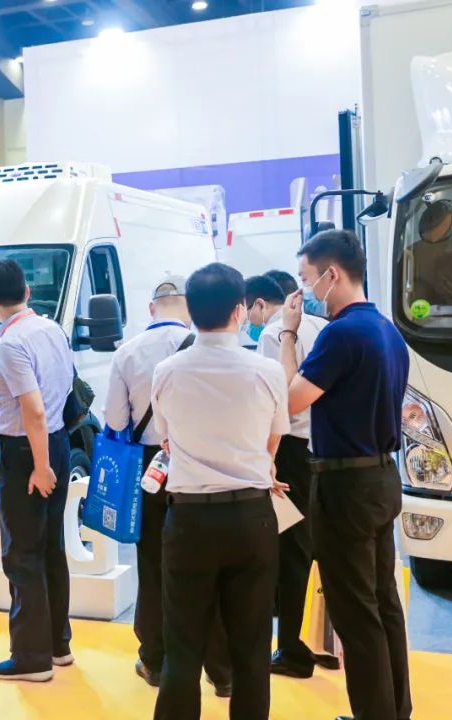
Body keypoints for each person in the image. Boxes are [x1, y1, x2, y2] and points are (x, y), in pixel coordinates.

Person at [277, 229, 412, 720]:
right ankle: (395, 710)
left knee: (355, 612)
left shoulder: (340, 334)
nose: (304, 291)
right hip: (382, 477)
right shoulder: (387, 331)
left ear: (331, 274)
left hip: (345, 485)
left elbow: (291, 399)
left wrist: (288, 334)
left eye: (306, 278)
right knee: (383, 603)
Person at [150, 263, 289, 720]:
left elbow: (167, 439)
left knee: (182, 645)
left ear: (190, 311)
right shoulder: (267, 370)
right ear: (239, 310)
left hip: (189, 519)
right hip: (251, 516)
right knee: (251, 646)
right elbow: (273, 441)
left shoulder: (166, 371)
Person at [103, 276, 232, 696]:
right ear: (190, 308)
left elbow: (116, 420)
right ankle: (221, 669)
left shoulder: (128, 352)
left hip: (152, 468)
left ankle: (156, 659)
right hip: (205, 465)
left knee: (154, 562)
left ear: (151, 308)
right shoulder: (212, 349)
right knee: (210, 563)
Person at [0, 258, 75, 683]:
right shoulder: (51, 329)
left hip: (26, 452)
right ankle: (57, 645)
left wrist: (39, 466)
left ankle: (31, 658)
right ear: (27, 291)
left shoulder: (12, 343)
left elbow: (32, 409)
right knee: (51, 545)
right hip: (57, 441)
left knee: (22, 553)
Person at [246, 274, 328, 678]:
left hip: (289, 449)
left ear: (259, 304)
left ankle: (293, 650)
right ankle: (322, 643)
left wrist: (266, 457)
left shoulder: (274, 334)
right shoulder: (323, 327)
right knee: (316, 548)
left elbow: (275, 402)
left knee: (291, 552)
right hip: (322, 446)